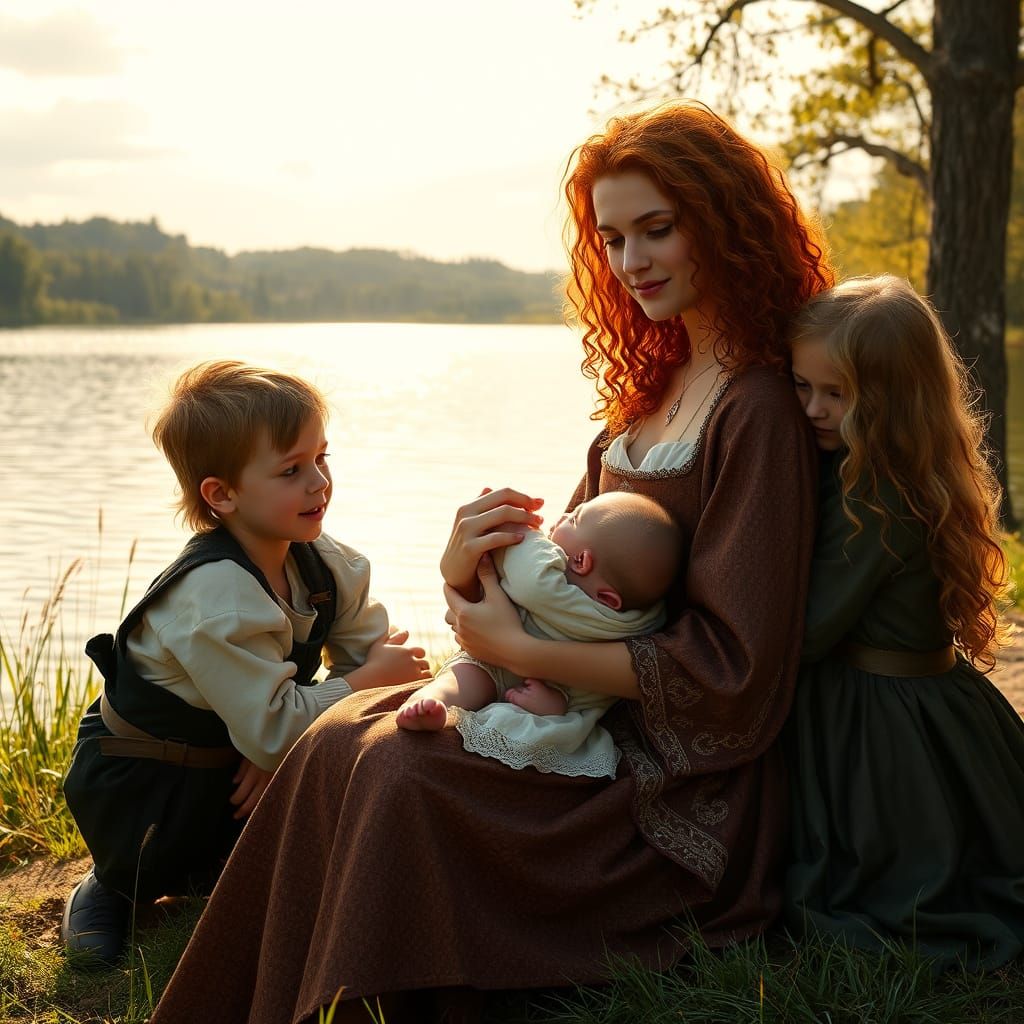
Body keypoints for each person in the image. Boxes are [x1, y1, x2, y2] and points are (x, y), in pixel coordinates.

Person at [150, 102, 833, 1024]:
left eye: (657, 230)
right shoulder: (647, 397)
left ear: (723, 220)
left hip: (662, 785)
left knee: (399, 771)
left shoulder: (756, 411)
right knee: (336, 736)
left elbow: (738, 677)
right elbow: (555, 583)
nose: (633, 263)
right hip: (562, 711)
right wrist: (467, 566)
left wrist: (526, 649)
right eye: (614, 238)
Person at [61, 360, 431, 967]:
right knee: (159, 861)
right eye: (291, 470)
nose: (319, 483)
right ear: (222, 494)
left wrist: (282, 748)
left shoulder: (322, 561)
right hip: (153, 784)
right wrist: (328, 706)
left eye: (322, 458)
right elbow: (350, 686)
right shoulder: (214, 597)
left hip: (236, 755)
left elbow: (384, 666)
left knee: (357, 783)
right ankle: (113, 885)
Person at [784, 275, 1024, 969]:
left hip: (883, 726)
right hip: (939, 703)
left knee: (897, 891)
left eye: (837, 394)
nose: (813, 409)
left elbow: (809, 632)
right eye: (802, 386)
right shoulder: (905, 464)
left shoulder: (879, 500)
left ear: (896, 397)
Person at [397, 491, 683, 780]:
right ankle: (552, 707)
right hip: (566, 691)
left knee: (464, 678)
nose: (561, 518)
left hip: (493, 662)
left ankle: (434, 702)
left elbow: (526, 568)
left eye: (573, 519)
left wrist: (520, 531)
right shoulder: (641, 620)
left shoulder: (549, 584)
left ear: (581, 561)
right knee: (574, 702)